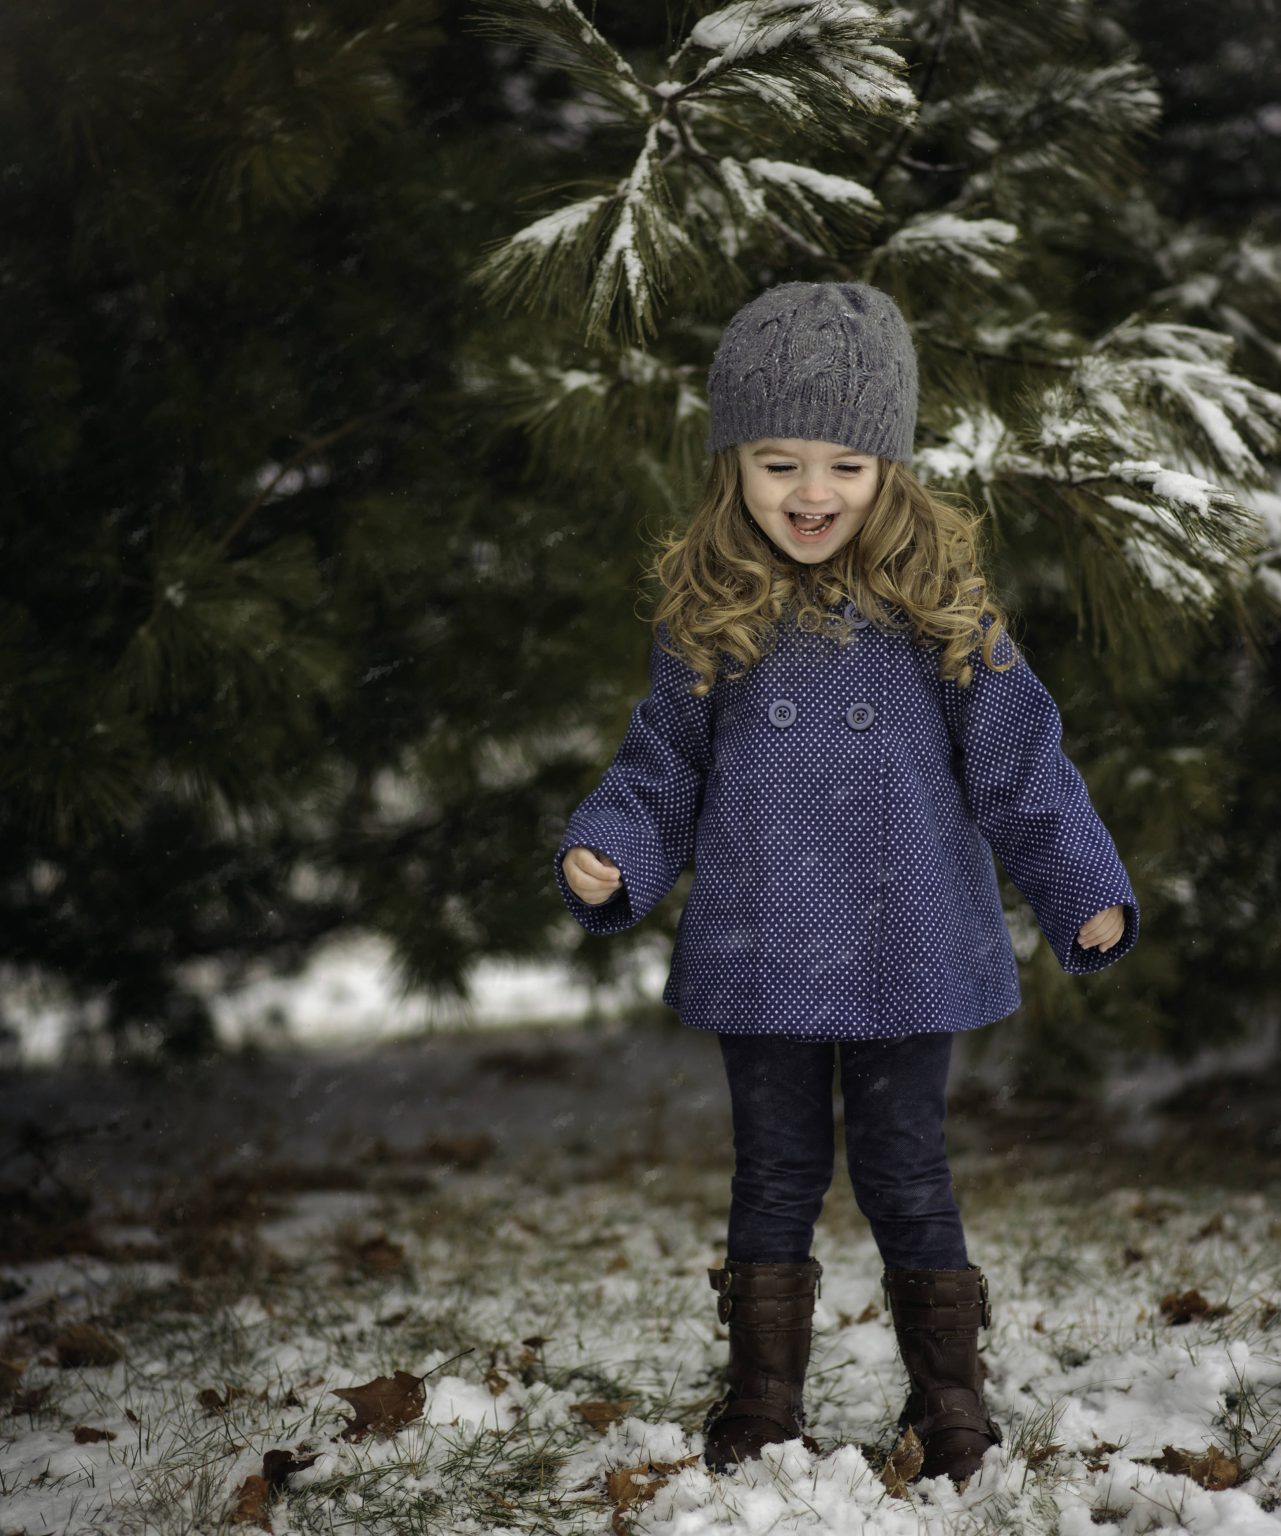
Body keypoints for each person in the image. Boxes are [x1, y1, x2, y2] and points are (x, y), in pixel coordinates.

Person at [552, 281, 1140, 1488]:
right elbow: (661, 767)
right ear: (734, 466)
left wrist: (1080, 881)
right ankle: (762, 1398)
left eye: (846, 467)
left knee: (906, 1166)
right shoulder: (710, 617)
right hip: (763, 940)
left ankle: (951, 1396)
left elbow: (1022, 763)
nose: (811, 492)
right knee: (773, 1170)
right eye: (779, 464)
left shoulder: (944, 613)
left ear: (892, 471)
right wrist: (608, 850)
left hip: (904, 938)